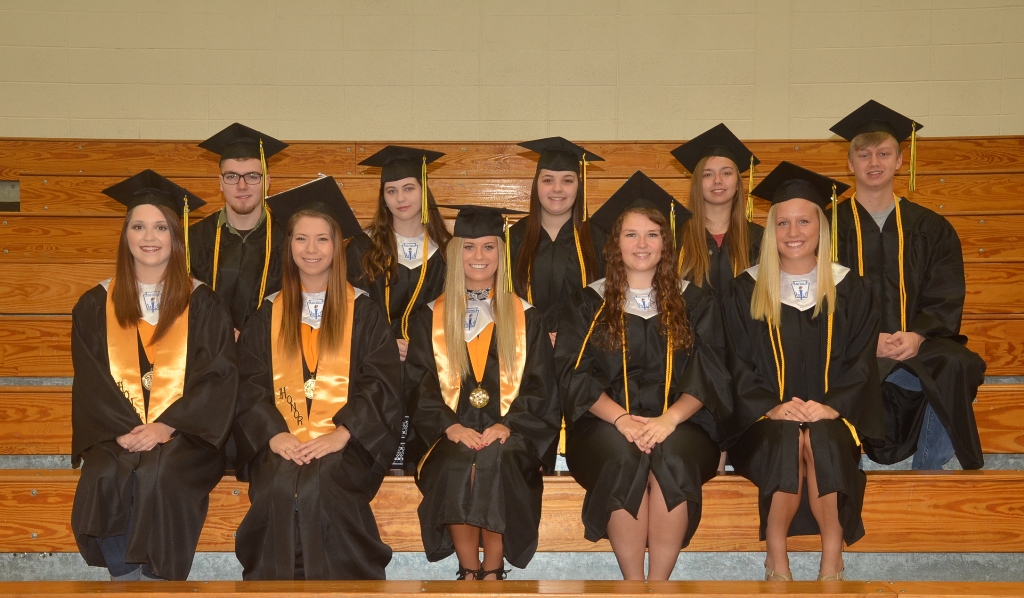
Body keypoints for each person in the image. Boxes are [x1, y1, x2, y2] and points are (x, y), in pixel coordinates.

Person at [555, 171, 732, 581]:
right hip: (604, 425)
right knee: (625, 456)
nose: (642, 244)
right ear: (615, 242)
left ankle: (660, 585)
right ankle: (634, 585)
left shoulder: (695, 302)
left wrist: (668, 420)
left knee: (672, 456)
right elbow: (572, 373)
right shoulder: (588, 302)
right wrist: (621, 419)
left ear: (665, 243)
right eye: (631, 234)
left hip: (683, 425)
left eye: (652, 235)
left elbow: (710, 371)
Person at [232, 177, 404, 580]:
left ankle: (347, 586)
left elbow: (380, 383)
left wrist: (343, 434)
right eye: (302, 239)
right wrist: (274, 435)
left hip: (349, 443)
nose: (311, 249)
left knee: (325, 481)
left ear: (338, 246)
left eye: (322, 239)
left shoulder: (364, 311)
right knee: (279, 482)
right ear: (288, 246)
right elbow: (248, 383)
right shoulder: (268, 313)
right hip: (281, 440)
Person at [70, 170, 237, 581]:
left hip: (188, 436)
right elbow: (91, 379)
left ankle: (158, 581)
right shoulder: (94, 303)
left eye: (161, 227)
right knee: (106, 471)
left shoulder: (204, 303)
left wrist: (166, 426)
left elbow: (218, 376)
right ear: (125, 235)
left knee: (159, 472)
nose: (149, 237)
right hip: (117, 432)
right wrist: (121, 431)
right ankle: (125, 578)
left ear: (176, 237)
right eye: (139, 226)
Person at [723, 162, 884, 581]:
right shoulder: (744, 290)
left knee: (821, 434)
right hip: (763, 426)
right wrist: (771, 407)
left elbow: (862, 360)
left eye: (803, 221)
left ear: (820, 227)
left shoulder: (851, 288)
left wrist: (832, 407)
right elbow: (735, 362)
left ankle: (832, 558)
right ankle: (776, 555)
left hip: (834, 419)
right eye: (783, 223)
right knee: (787, 434)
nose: (793, 232)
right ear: (770, 231)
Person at [405, 205, 559, 580]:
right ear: (456, 253)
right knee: (460, 459)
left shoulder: (526, 316)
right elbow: (419, 382)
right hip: (446, 434)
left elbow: (541, 385)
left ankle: (493, 570)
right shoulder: (431, 315)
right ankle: (468, 570)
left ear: (500, 254)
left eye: (489, 247)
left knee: (495, 458)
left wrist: (509, 425)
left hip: (512, 434)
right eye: (469, 247)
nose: (479, 255)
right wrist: (449, 426)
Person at [830, 100, 985, 470]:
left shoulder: (931, 227)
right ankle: (843, 467)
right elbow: (821, 298)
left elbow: (945, 294)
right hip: (849, 348)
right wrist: (867, 340)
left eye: (884, 153)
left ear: (900, 160)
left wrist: (917, 335)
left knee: (958, 363)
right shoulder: (827, 227)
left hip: (916, 347)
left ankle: (928, 470)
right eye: (864, 155)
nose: (874, 163)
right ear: (850, 163)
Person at [349, 145, 452, 470]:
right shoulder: (362, 248)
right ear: (383, 197)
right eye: (391, 191)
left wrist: (418, 347)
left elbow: (454, 314)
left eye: (409, 188)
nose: (400, 198)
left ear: (424, 191)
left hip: (429, 362)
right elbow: (352, 310)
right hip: (373, 360)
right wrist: (384, 345)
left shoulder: (447, 251)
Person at [191, 123, 288, 336]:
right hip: (209, 349)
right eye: (232, 176)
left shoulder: (289, 239)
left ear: (267, 182)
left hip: (270, 350)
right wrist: (220, 333)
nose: (242, 186)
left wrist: (253, 337)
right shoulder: (193, 240)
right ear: (220, 183)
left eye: (252, 176)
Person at [510, 137, 606, 344]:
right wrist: (537, 335)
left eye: (567, 180)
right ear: (536, 185)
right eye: (548, 180)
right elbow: (503, 299)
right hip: (526, 348)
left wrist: (569, 337)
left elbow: (609, 302)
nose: (557, 188)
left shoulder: (600, 241)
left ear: (579, 186)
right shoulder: (513, 239)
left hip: (583, 351)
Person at [671, 123, 763, 294]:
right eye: (707, 174)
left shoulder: (760, 240)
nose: (718, 180)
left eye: (726, 173)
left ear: (738, 183)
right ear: (697, 184)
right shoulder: (676, 240)